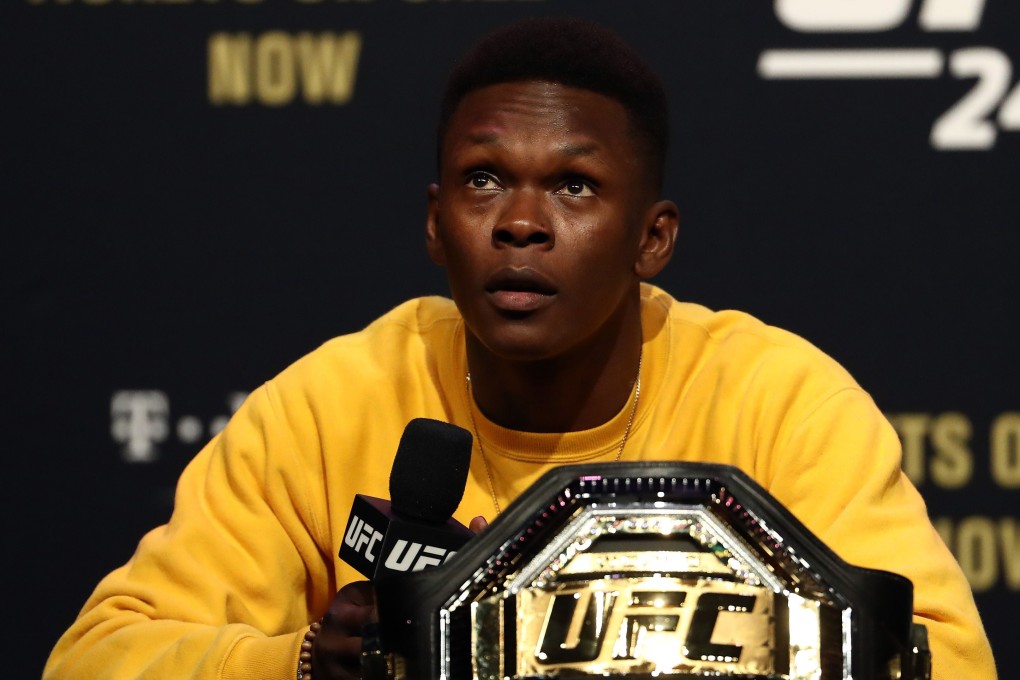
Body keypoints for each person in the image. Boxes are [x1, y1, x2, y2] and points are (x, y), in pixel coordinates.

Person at [45, 16, 995, 680]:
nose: (522, 224)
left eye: (575, 188)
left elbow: (943, 659)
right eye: (484, 179)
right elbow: (95, 659)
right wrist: (297, 665)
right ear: (434, 222)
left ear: (652, 238)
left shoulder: (781, 405)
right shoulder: (327, 405)